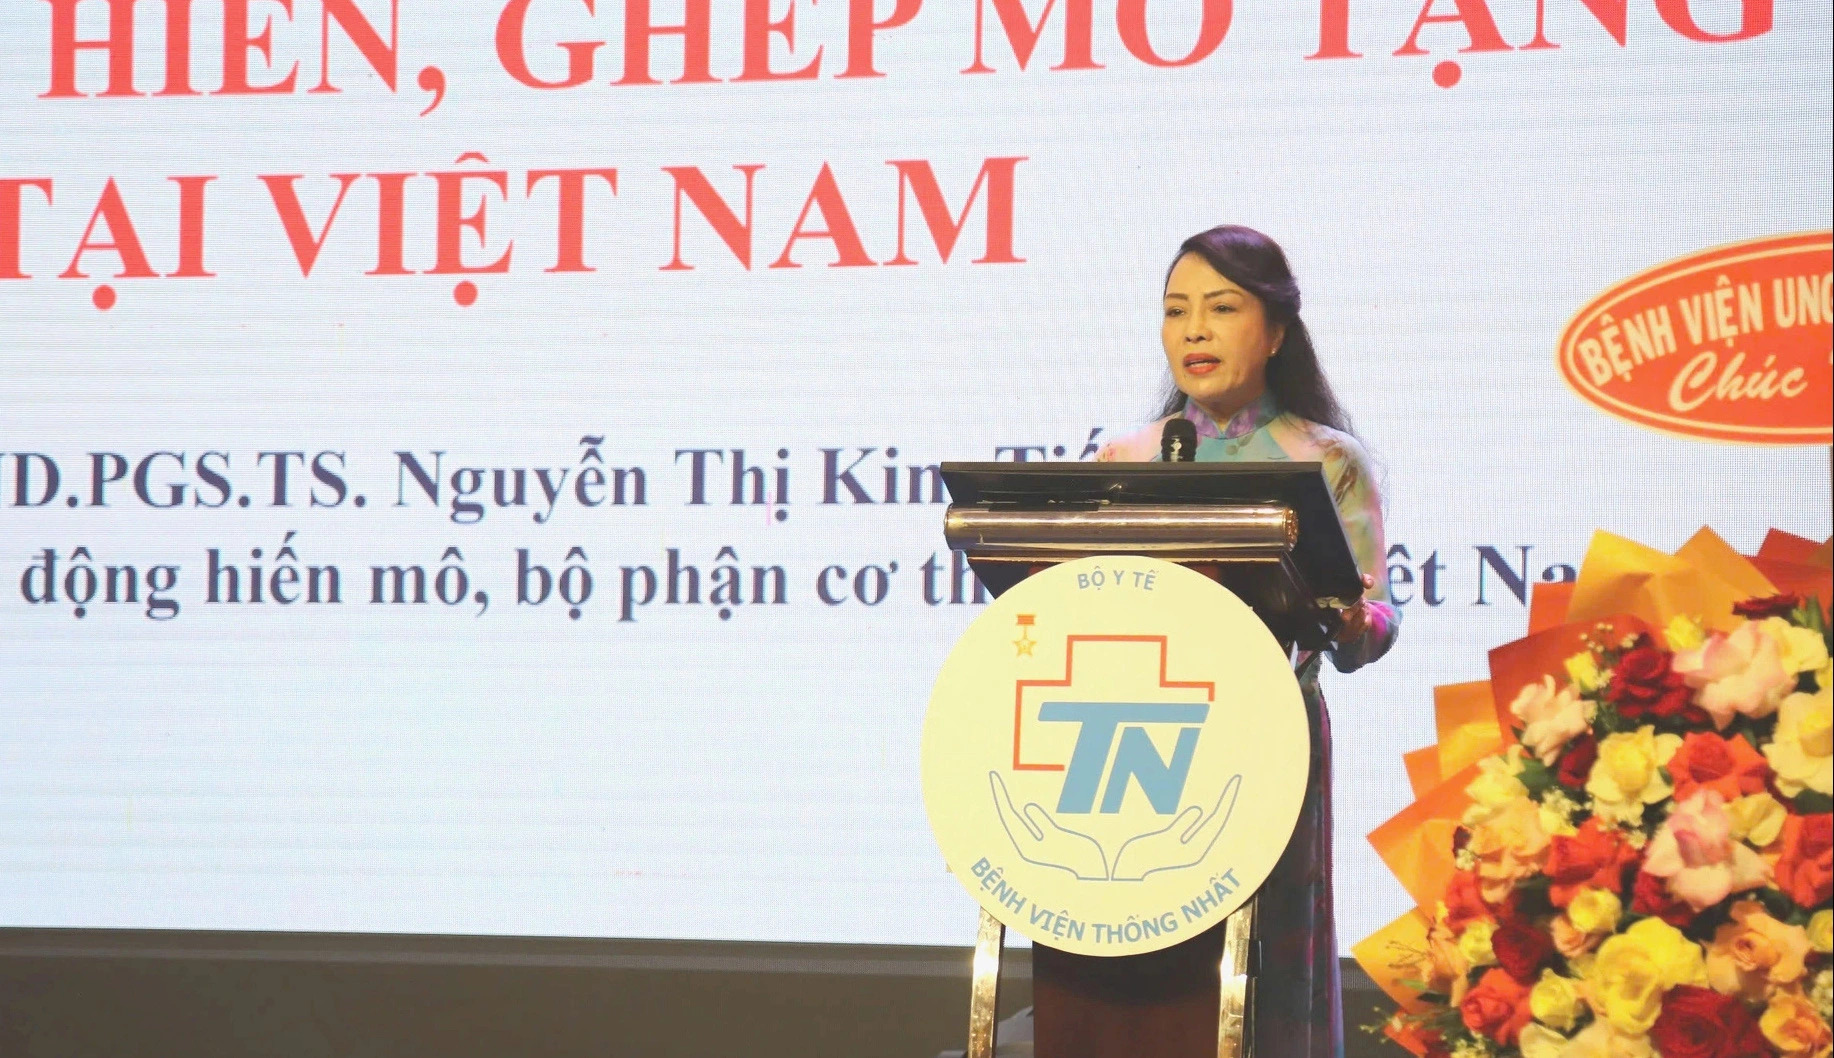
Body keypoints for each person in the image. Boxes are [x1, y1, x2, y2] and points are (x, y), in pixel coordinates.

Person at [1096, 225, 1401, 1058]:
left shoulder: (1325, 459)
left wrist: (1342, 617)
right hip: (1132, 734)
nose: (1193, 330)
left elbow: (1377, 619)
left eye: (1221, 308)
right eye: (1175, 311)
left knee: (1257, 972)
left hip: (1269, 734)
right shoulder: (1124, 458)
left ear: (1273, 333)